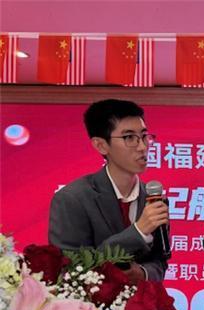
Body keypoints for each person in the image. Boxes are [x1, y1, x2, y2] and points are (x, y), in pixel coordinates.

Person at [49, 99, 169, 282]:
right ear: (101, 145)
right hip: (89, 301)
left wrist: (143, 274)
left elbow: (160, 261)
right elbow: (71, 268)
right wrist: (138, 231)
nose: (143, 146)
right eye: (129, 138)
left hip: (144, 299)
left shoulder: (153, 198)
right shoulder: (72, 199)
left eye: (144, 136)